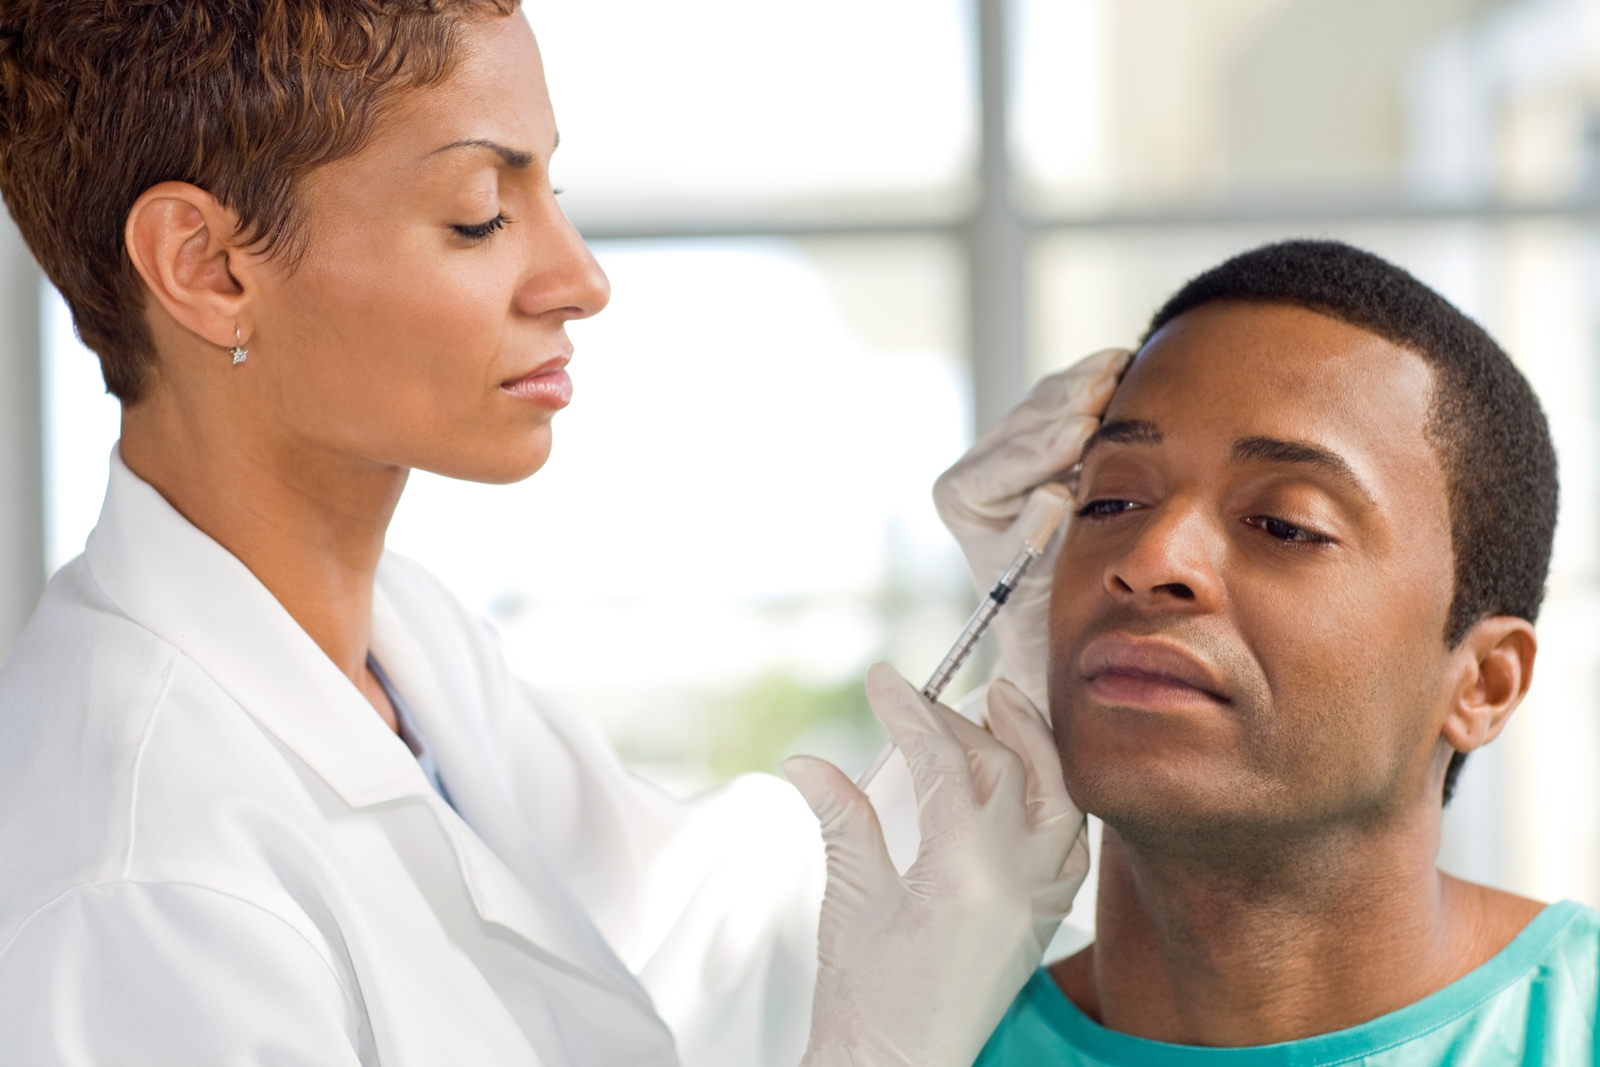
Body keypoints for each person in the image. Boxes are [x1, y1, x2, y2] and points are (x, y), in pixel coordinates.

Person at [0, 2, 1120, 1065]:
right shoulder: (142, 880)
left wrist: (1039, 668)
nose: (580, 279)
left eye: (552, 190)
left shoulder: (402, 644)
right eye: (480, 212)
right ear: (207, 264)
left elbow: (696, 932)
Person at [971, 239, 1600, 1065]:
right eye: (1113, 499)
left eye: (1285, 525)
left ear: (1482, 683)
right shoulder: (919, 1034)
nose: (1150, 557)